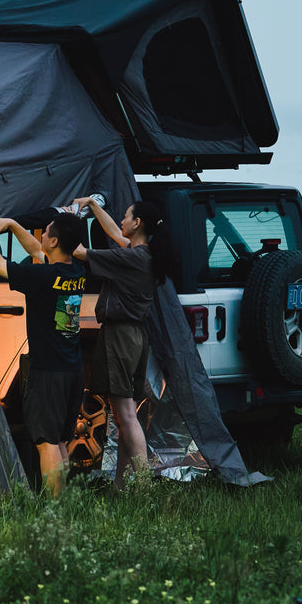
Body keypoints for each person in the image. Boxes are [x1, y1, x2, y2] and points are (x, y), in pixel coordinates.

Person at [0, 211, 87, 495]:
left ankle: (54, 511)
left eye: (46, 231)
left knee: (46, 441)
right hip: (71, 368)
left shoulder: (42, 276)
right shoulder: (74, 271)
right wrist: (12, 225)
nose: (41, 236)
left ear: (55, 240)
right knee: (59, 440)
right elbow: (37, 250)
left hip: (47, 371)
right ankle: (64, 506)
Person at [70, 196, 175, 489]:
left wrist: (70, 218)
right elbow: (116, 235)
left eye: (126, 217)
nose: (122, 222)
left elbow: (78, 251)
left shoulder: (130, 259)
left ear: (137, 223)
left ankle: (142, 484)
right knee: (125, 414)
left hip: (120, 337)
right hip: (136, 337)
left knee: (125, 413)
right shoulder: (144, 254)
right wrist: (92, 205)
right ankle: (120, 484)